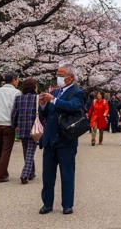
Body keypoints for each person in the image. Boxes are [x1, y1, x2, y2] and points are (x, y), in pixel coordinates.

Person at [38, 63, 85, 215]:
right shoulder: (55, 92)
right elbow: (46, 115)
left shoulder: (77, 93)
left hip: (66, 140)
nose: (58, 78)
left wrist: (54, 100)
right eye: (57, 74)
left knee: (67, 173)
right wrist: (43, 105)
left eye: (61, 75)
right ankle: (47, 203)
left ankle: (67, 204)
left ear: (70, 78)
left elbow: (73, 107)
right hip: (50, 139)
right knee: (47, 175)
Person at [0, 72, 21, 182]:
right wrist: (17, 124)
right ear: (14, 80)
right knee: (6, 150)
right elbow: (17, 111)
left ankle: (3, 172)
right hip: (8, 124)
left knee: (0, 148)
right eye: (18, 80)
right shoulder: (17, 93)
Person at [11, 78, 39, 184]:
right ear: (34, 87)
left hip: (22, 128)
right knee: (30, 153)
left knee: (26, 151)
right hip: (34, 129)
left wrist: (14, 125)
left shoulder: (19, 98)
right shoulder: (37, 98)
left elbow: (14, 113)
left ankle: (31, 172)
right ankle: (25, 174)